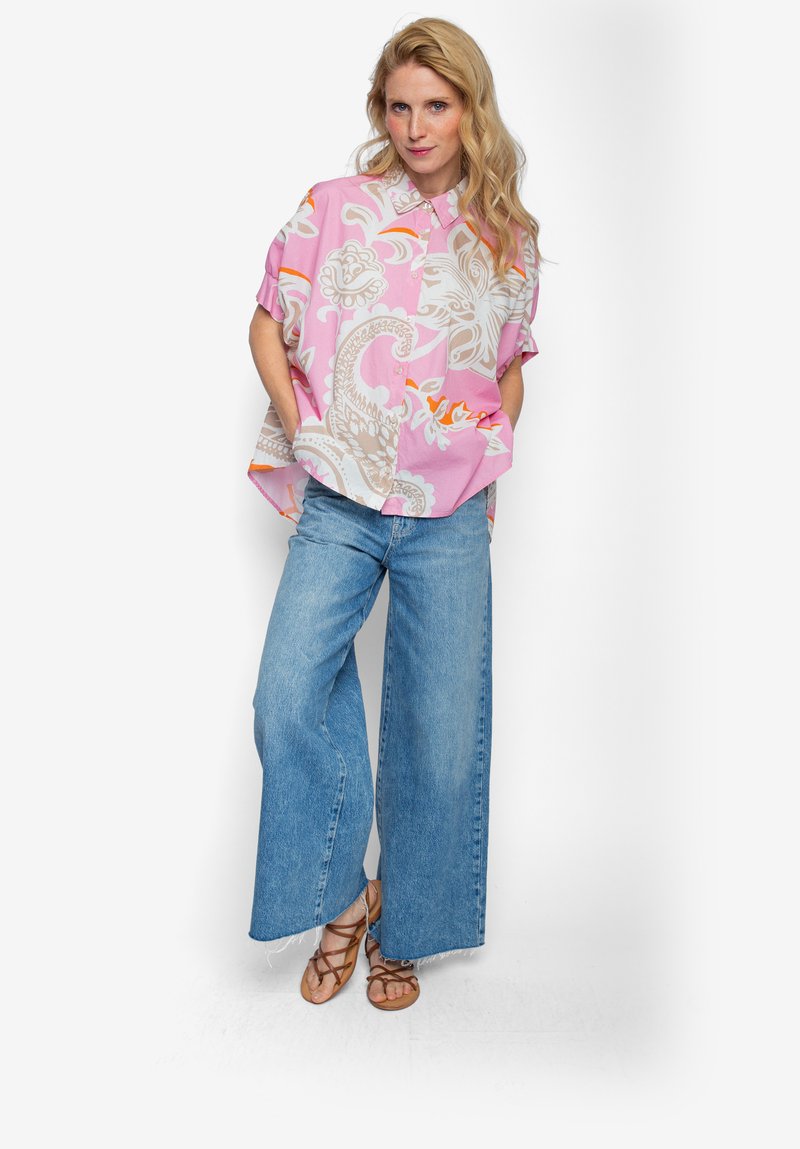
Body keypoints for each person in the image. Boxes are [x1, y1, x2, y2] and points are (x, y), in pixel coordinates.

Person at [246, 17, 543, 1011]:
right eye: (400, 105)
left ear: (469, 110)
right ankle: (345, 897)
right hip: (342, 497)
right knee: (286, 694)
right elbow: (266, 323)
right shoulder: (333, 207)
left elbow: (507, 368)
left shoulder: (506, 237)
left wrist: (488, 466)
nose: (416, 126)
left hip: (447, 512)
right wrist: (305, 430)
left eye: (437, 105)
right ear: (380, 110)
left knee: (439, 735)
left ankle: (404, 929)